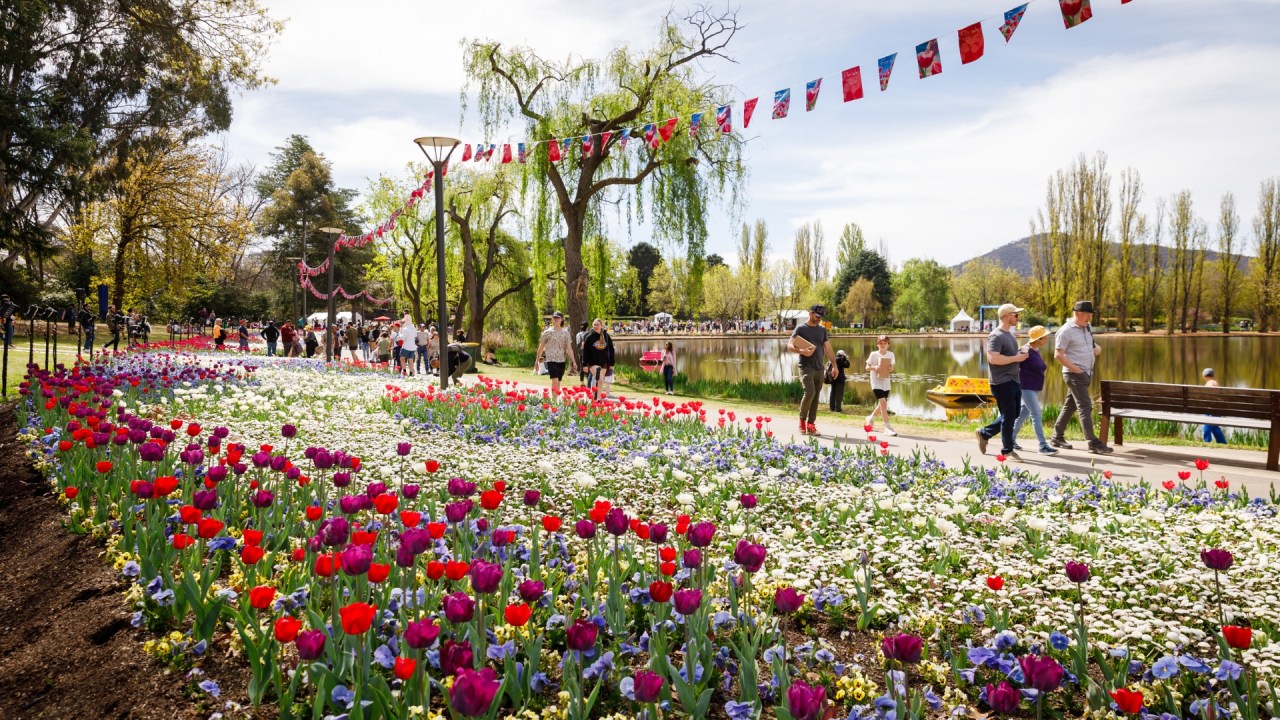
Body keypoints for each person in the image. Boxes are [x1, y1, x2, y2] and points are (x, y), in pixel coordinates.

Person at [1050, 300, 1113, 454]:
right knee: (1085, 406)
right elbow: (1058, 355)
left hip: (1086, 373)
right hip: (1074, 374)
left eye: (1090, 315)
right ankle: (1092, 442)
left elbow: (1092, 345)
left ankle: (1057, 437)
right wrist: (1077, 370)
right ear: (1077, 314)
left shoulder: (1087, 327)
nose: (1089, 318)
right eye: (1087, 315)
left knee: (1070, 406)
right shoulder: (1065, 331)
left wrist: (1097, 348)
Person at [976, 303, 1029, 459]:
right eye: (1015, 315)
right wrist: (1016, 358)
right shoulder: (996, 335)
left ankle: (985, 433)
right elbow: (993, 358)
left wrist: (1020, 353)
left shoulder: (1010, 335)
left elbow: (1008, 356)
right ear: (1007, 316)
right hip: (1001, 381)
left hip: (1013, 379)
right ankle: (1007, 450)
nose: (1017, 317)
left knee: (1014, 413)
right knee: (1008, 416)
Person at [788, 304, 838, 436]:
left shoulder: (822, 330)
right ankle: (802, 421)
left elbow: (828, 348)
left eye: (820, 317)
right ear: (810, 314)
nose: (818, 319)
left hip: (819, 368)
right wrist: (801, 351)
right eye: (816, 316)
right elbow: (789, 345)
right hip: (806, 367)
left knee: (815, 396)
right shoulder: (801, 328)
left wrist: (835, 365)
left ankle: (811, 425)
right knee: (810, 392)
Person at [1012, 325, 1059, 455]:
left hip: (1035, 387)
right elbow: (1013, 364)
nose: (1047, 339)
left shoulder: (1036, 350)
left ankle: (1010, 439)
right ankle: (1043, 446)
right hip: (1026, 387)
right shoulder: (1025, 350)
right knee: (1037, 414)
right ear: (1038, 338)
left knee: (1023, 414)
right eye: (1045, 337)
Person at [536, 311, 577, 392]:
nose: (556, 319)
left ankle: (556, 399)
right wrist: (536, 361)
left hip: (561, 360)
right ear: (552, 320)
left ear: (561, 319)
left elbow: (569, 348)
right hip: (551, 360)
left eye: (558, 318)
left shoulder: (565, 333)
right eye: (554, 318)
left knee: (558, 381)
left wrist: (573, 361)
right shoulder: (547, 332)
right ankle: (554, 401)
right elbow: (541, 347)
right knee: (555, 380)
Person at [863, 336, 895, 434]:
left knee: (882, 404)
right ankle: (887, 427)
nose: (882, 345)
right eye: (880, 343)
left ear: (888, 344)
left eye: (885, 343)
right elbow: (867, 367)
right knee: (883, 403)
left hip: (886, 382)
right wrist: (875, 367)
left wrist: (890, 369)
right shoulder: (873, 354)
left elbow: (892, 368)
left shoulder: (891, 354)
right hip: (876, 382)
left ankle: (870, 418)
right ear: (877, 344)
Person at [581, 318, 615, 399]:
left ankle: (598, 398)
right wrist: (584, 364)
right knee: (599, 378)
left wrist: (612, 363)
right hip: (593, 363)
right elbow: (585, 351)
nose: (596, 326)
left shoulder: (606, 336)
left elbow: (611, 349)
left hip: (604, 362)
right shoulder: (589, 337)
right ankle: (595, 397)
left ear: (601, 326)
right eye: (594, 325)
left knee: (601, 381)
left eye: (598, 325)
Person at [1201, 368, 1227, 444]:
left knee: (1207, 423)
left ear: (1204, 376)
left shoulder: (1210, 383)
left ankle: (1207, 441)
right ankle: (1222, 442)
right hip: (1218, 409)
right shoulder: (1215, 382)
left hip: (1211, 409)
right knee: (1215, 426)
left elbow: (1211, 390)